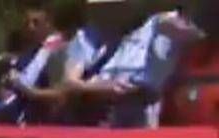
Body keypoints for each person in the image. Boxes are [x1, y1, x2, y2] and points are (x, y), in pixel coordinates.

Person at [61, 0, 205, 126]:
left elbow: (194, 34)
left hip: (140, 107)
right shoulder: (86, 36)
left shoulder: (155, 25)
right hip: (94, 112)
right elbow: (70, 83)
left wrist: (185, 25)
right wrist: (99, 88)